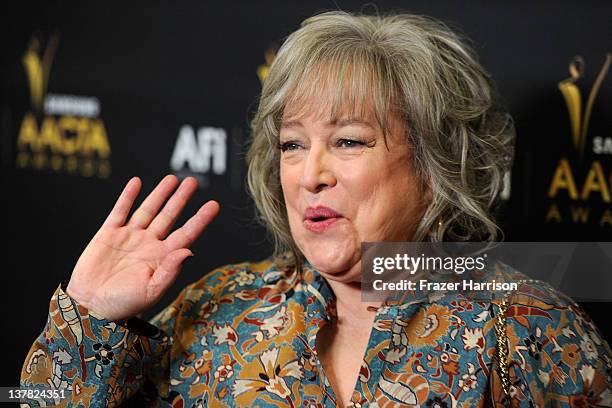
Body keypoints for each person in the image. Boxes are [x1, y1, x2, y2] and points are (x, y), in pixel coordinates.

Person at [20, 10, 612, 408]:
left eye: (349, 141)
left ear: (436, 160)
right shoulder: (218, 310)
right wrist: (89, 323)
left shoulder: (527, 328)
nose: (310, 175)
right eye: (292, 145)